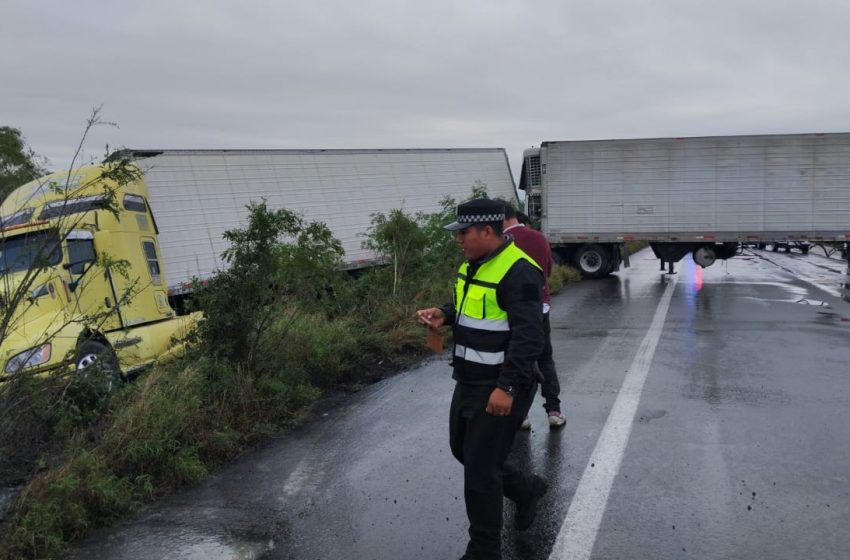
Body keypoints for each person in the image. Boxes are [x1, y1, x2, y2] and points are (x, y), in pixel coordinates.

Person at [416, 198, 548, 560]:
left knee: (479, 469)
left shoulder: (519, 271)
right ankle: (526, 490)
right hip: (470, 379)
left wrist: (506, 387)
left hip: (502, 384)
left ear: (487, 231)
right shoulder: (472, 265)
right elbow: (467, 307)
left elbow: (529, 337)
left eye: (464, 233)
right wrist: (443, 314)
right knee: (463, 451)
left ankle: (484, 551)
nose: (459, 240)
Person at [498, 201, 567, 429]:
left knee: (517, 358)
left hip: (510, 312)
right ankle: (554, 410)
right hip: (540, 307)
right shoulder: (538, 238)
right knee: (545, 358)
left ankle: (522, 414)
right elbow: (547, 270)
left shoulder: (500, 243)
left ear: (502, 218)